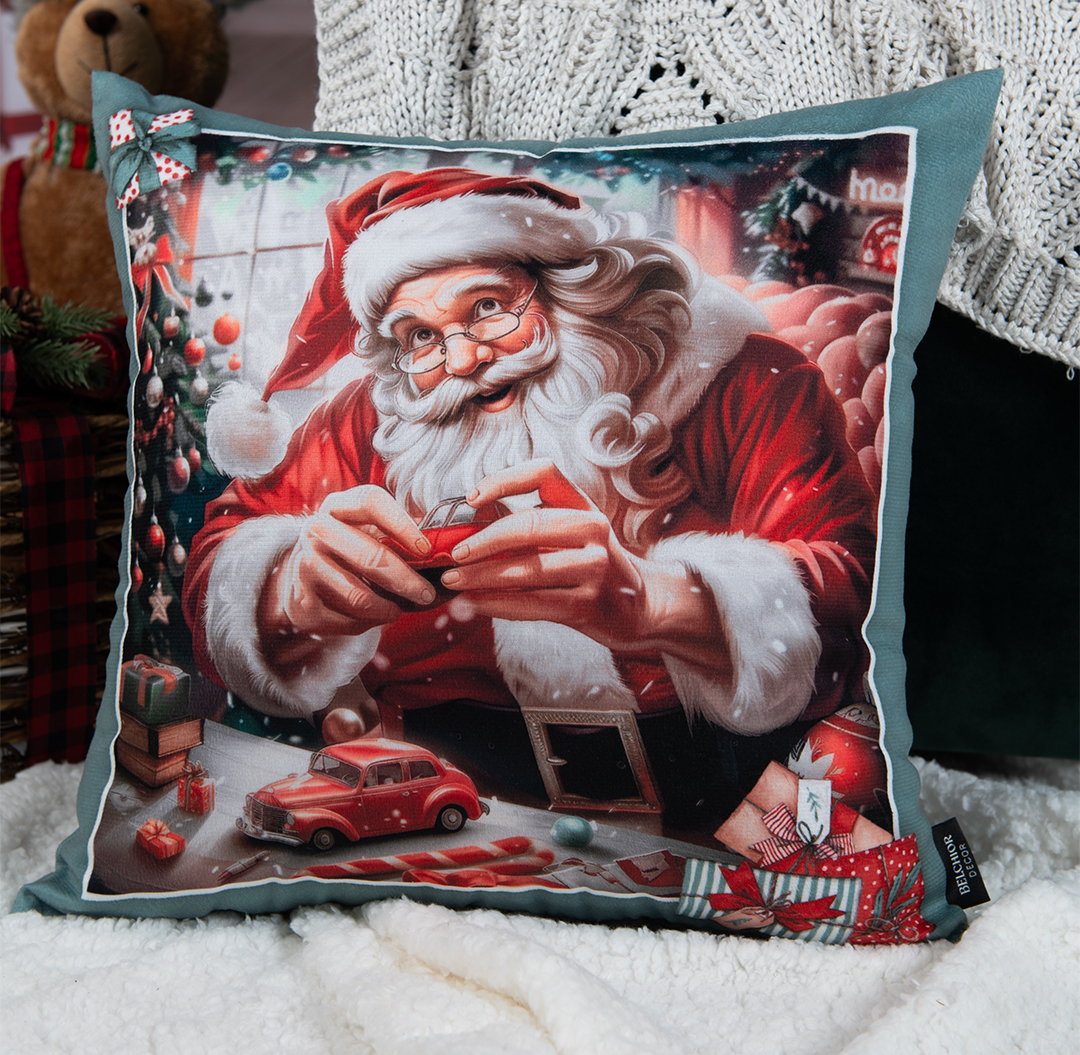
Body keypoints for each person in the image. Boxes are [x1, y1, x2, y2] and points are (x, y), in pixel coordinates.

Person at [183, 168, 876, 830]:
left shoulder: (743, 382)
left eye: (487, 308)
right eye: (421, 336)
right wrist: (286, 591)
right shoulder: (375, 416)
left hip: (705, 790)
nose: (462, 361)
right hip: (437, 790)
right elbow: (222, 553)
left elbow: (854, 605)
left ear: (570, 289)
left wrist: (655, 602)